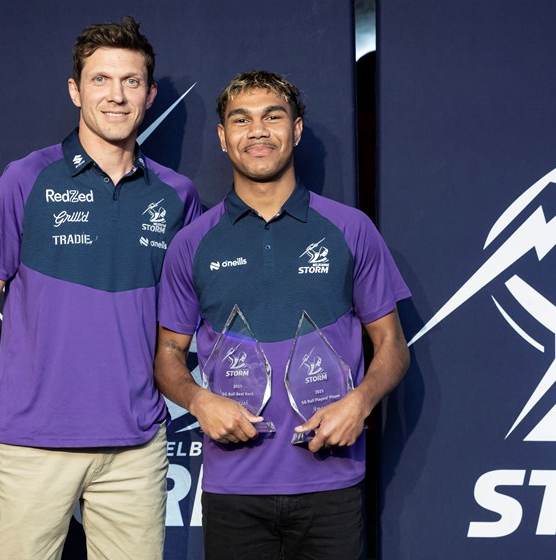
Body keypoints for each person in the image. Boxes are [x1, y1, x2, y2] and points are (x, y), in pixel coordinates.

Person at [0, 16, 201, 560]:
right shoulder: (26, 179)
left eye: (131, 81)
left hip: (136, 449)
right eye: (101, 80)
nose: (116, 95)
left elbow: (193, 318)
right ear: (75, 90)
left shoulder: (178, 196)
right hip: (32, 446)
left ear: (148, 96)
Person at [154, 71, 410, 559]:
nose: (257, 131)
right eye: (241, 120)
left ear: (296, 130)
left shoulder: (350, 229)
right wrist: (199, 401)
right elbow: (168, 354)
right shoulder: (192, 243)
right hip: (233, 489)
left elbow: (393, 347)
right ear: (222, 137)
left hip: (331, 482)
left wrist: (359, 403)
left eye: (272, 117)